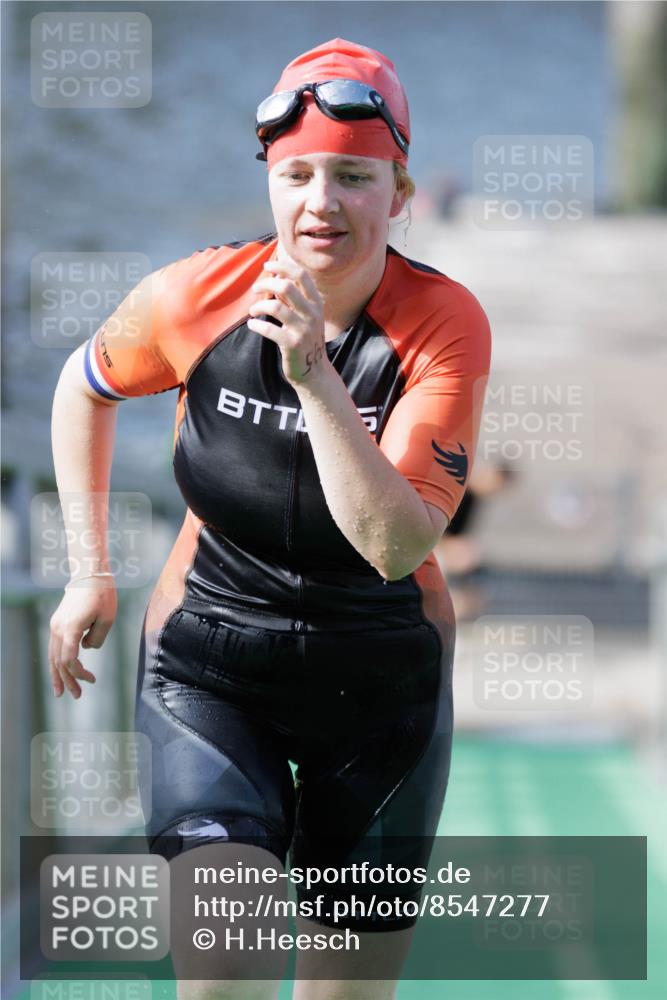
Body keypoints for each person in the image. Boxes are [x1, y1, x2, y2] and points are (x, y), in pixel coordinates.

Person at [49, 38, 491, 1000]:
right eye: (295, 175)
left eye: (353, 177)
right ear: (269, 184)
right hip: (210, 666)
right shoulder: (192, 296)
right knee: (226, 958)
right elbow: (80, 389)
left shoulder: (444, 323)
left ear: (401, 192)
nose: (320, 202)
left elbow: (393, 544)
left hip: (379, 683)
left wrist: (313, 377)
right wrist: (90, 570)